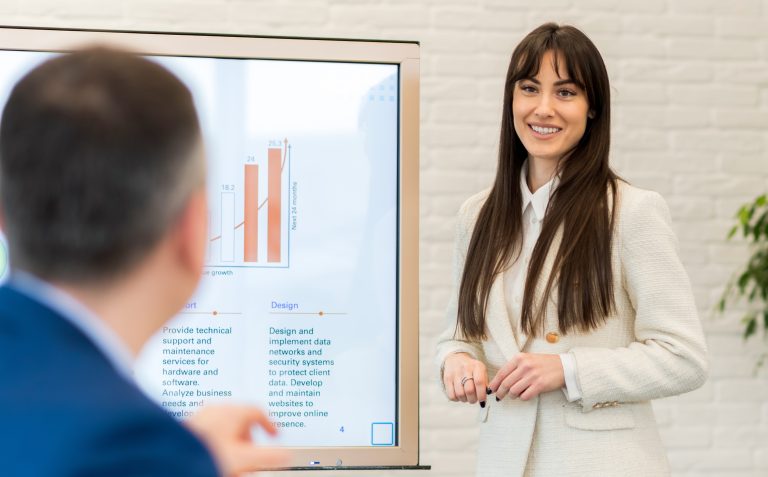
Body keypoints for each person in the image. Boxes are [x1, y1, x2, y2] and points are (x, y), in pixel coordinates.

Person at [0, 48, 289, 476]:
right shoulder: (127, 448)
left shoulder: (129, 443)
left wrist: (178, 452)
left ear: (4, 215)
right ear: (193, 231)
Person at [436, 23, 708, 476]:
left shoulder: (631, 212)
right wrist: (457, 361)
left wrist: (569, 369)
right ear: (511, 100)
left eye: (565, 92)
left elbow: (684, 358)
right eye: (529, 88)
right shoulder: (476, 214)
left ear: (592, 109)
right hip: (504, 462)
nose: (543, 108)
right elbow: (460, 334)